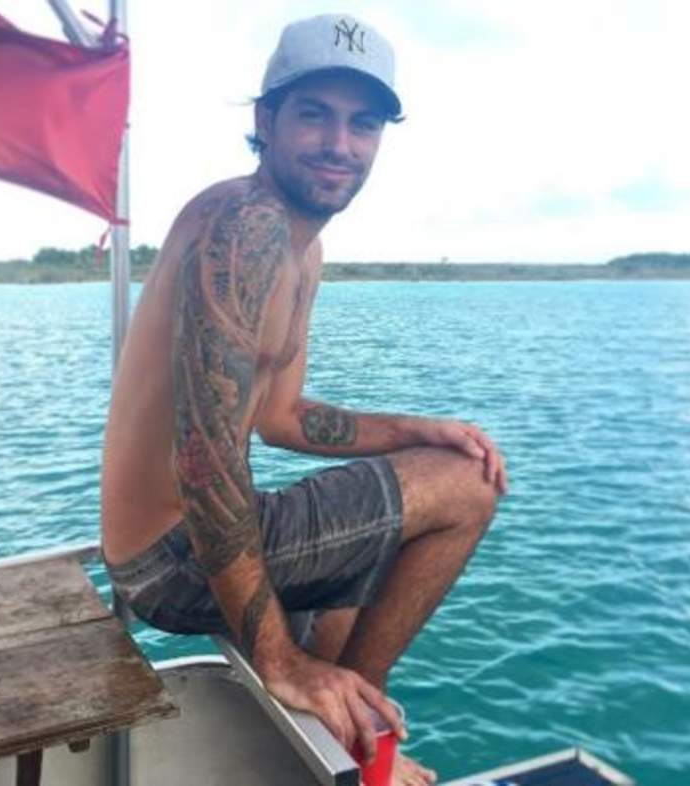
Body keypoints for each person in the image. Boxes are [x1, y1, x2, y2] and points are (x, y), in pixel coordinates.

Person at [99, 14, 506, 786]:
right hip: (170, 555)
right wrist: (279, 658)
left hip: (183, 541)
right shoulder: (244, 224)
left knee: (364, 564)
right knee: (468, 486)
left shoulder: (303, 247)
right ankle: (362, 737)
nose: (338, 144)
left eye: (362, 124)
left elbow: (282, 418)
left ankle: (341, 739)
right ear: (266, 120)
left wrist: (417, 429)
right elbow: (205, 457)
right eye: (315, 114)